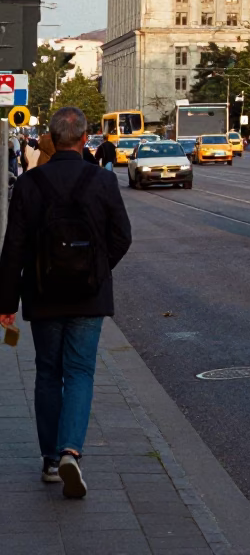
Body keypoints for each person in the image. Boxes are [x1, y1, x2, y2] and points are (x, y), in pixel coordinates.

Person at [0, 106, 132, 499]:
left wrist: (6, 302)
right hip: (89, 297)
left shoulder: (28, 184)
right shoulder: (102, 181)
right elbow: (121, 236)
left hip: (42, 295)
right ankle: (71, 449)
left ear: (52, 139)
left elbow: (14, 249)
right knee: (79, 373)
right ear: (85, 136)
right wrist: (96, 268)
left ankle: (50, 461)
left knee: (47, 373)